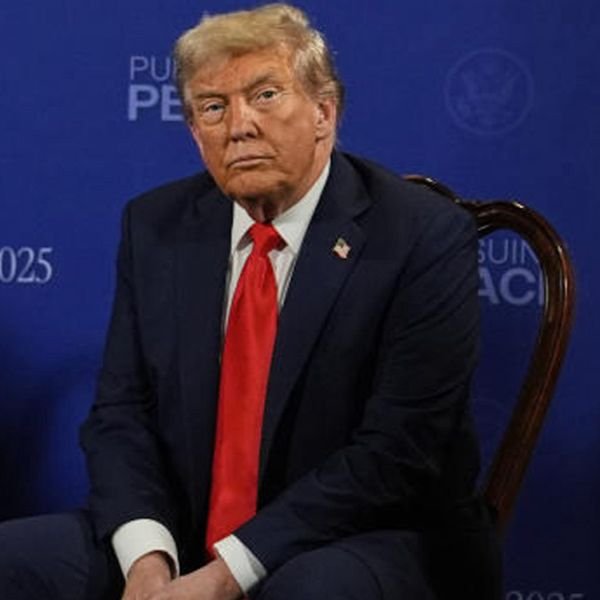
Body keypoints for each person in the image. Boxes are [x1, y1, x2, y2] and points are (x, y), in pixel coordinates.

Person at [0, 3, 501, 599]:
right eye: (213, 107)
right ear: (195, 133)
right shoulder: (155, 226)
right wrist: (147, 560)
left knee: (309, 590)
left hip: (368, 537)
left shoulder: (420, 234)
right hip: (187, 535)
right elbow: (120, 414)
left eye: (265, 95)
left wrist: (227, 575)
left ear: (324, 112)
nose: (239, 126)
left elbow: (399, 452)